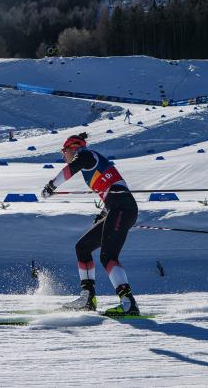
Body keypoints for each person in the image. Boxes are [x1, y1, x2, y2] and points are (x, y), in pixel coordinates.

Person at [40, 133, 140, 316]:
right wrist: (102, 215)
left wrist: (51, 186)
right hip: (118, 207)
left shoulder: (85, 155)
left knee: (108, 256)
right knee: (82, 247)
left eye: (64, 150)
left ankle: (128, 303)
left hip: (122, 207)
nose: (63, 154)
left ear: (72, 148)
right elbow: (111, 190)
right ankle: (87, 299)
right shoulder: (93, 163)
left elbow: (70, 170)